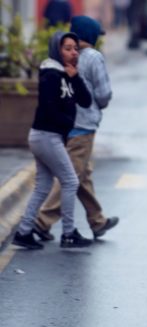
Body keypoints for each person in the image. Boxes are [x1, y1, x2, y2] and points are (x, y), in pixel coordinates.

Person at [32, 16, 118, 243]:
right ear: (91, 36)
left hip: (67, 125)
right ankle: (42, 221)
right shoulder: (94, 58)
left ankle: (97, 221)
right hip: (84, 126)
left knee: (82, 174)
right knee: (72, 177)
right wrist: (101, 104)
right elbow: (103, 94)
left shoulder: (65, 56)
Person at [12, 31, 93, 250]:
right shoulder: (50, 74)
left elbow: (86, 101)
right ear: (57, 50)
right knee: (70, 181)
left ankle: (24, 232)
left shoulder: (67, 74)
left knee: (44, 186)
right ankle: (68, 233)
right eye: (67, 48)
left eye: (76, 48)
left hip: (48, 137)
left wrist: (75, 77)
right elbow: (49, 108)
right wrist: (68, 123)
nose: (73, 52)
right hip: (46, 136)